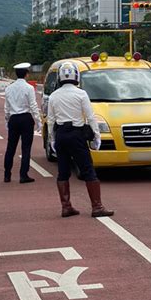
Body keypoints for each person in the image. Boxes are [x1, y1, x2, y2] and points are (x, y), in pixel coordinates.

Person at [47, 61, 114, 218]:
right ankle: (97, 206)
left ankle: (66, 206)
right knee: (88, 170)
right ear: (76, 76)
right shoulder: (81, 94)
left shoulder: (54, 96)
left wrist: (52, 140)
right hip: (77, 134)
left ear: (60, 77)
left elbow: (50, 120)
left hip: (61, 134)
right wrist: (97, 136)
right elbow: (90, 117)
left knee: (63, 172)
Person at [3, 62, 41, 184]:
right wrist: (38, 121)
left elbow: (6, 107)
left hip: (13, 119)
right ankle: (23, 175)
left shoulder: (9, 88)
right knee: (26, 148)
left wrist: (7, 121)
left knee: (10, 148)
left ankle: (7, 174)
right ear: (26, 74)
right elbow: (33, 106)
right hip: (26, 119)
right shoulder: (29, 88)